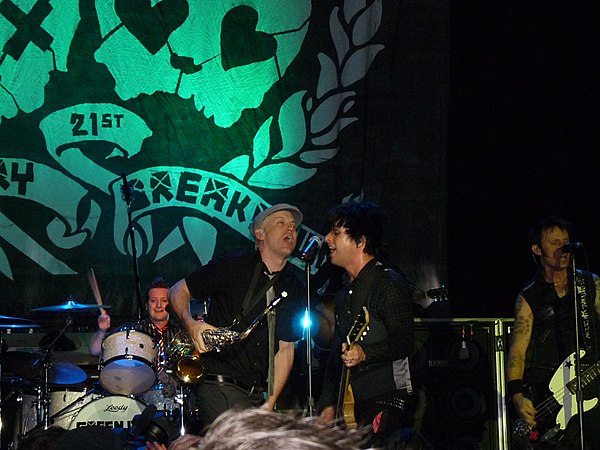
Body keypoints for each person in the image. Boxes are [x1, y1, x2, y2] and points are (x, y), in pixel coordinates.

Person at [168, 203, 306, 429]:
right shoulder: (232, 266)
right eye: (281, 223)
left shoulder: (294, 285)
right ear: (259, 233)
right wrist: (191, 324)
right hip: (219, 385)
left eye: (293, 226)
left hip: (256, 397)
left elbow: (286, 350)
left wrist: (268, 406)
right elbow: (177, 291)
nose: (290, 230)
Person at [317, 201, 415, 447]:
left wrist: (365, 353)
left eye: (336, 233)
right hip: (351, 402)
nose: (327, 238)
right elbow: (335, 356)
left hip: (386, 398)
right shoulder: (343, 293)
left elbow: (405, 341)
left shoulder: (387, 284)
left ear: (360, 242)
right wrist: (328, 404)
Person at [506, 216, 600, 449]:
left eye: (566, 241)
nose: (563, 248)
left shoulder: (591, 284)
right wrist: (517, 396)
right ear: (537, 249)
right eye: (555, 242)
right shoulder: (529, 296)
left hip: (592, 383)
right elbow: (517, 351)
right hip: (549, 390)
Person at [90, 277, 182, 411]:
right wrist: (102, 329)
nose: (158, 306)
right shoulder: (133, 331)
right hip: (140, 396)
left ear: (171, 304)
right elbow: (94, 350)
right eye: (153, 301)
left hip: (177, 396)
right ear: (146, 305)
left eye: (164, 301)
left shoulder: (180, 331)